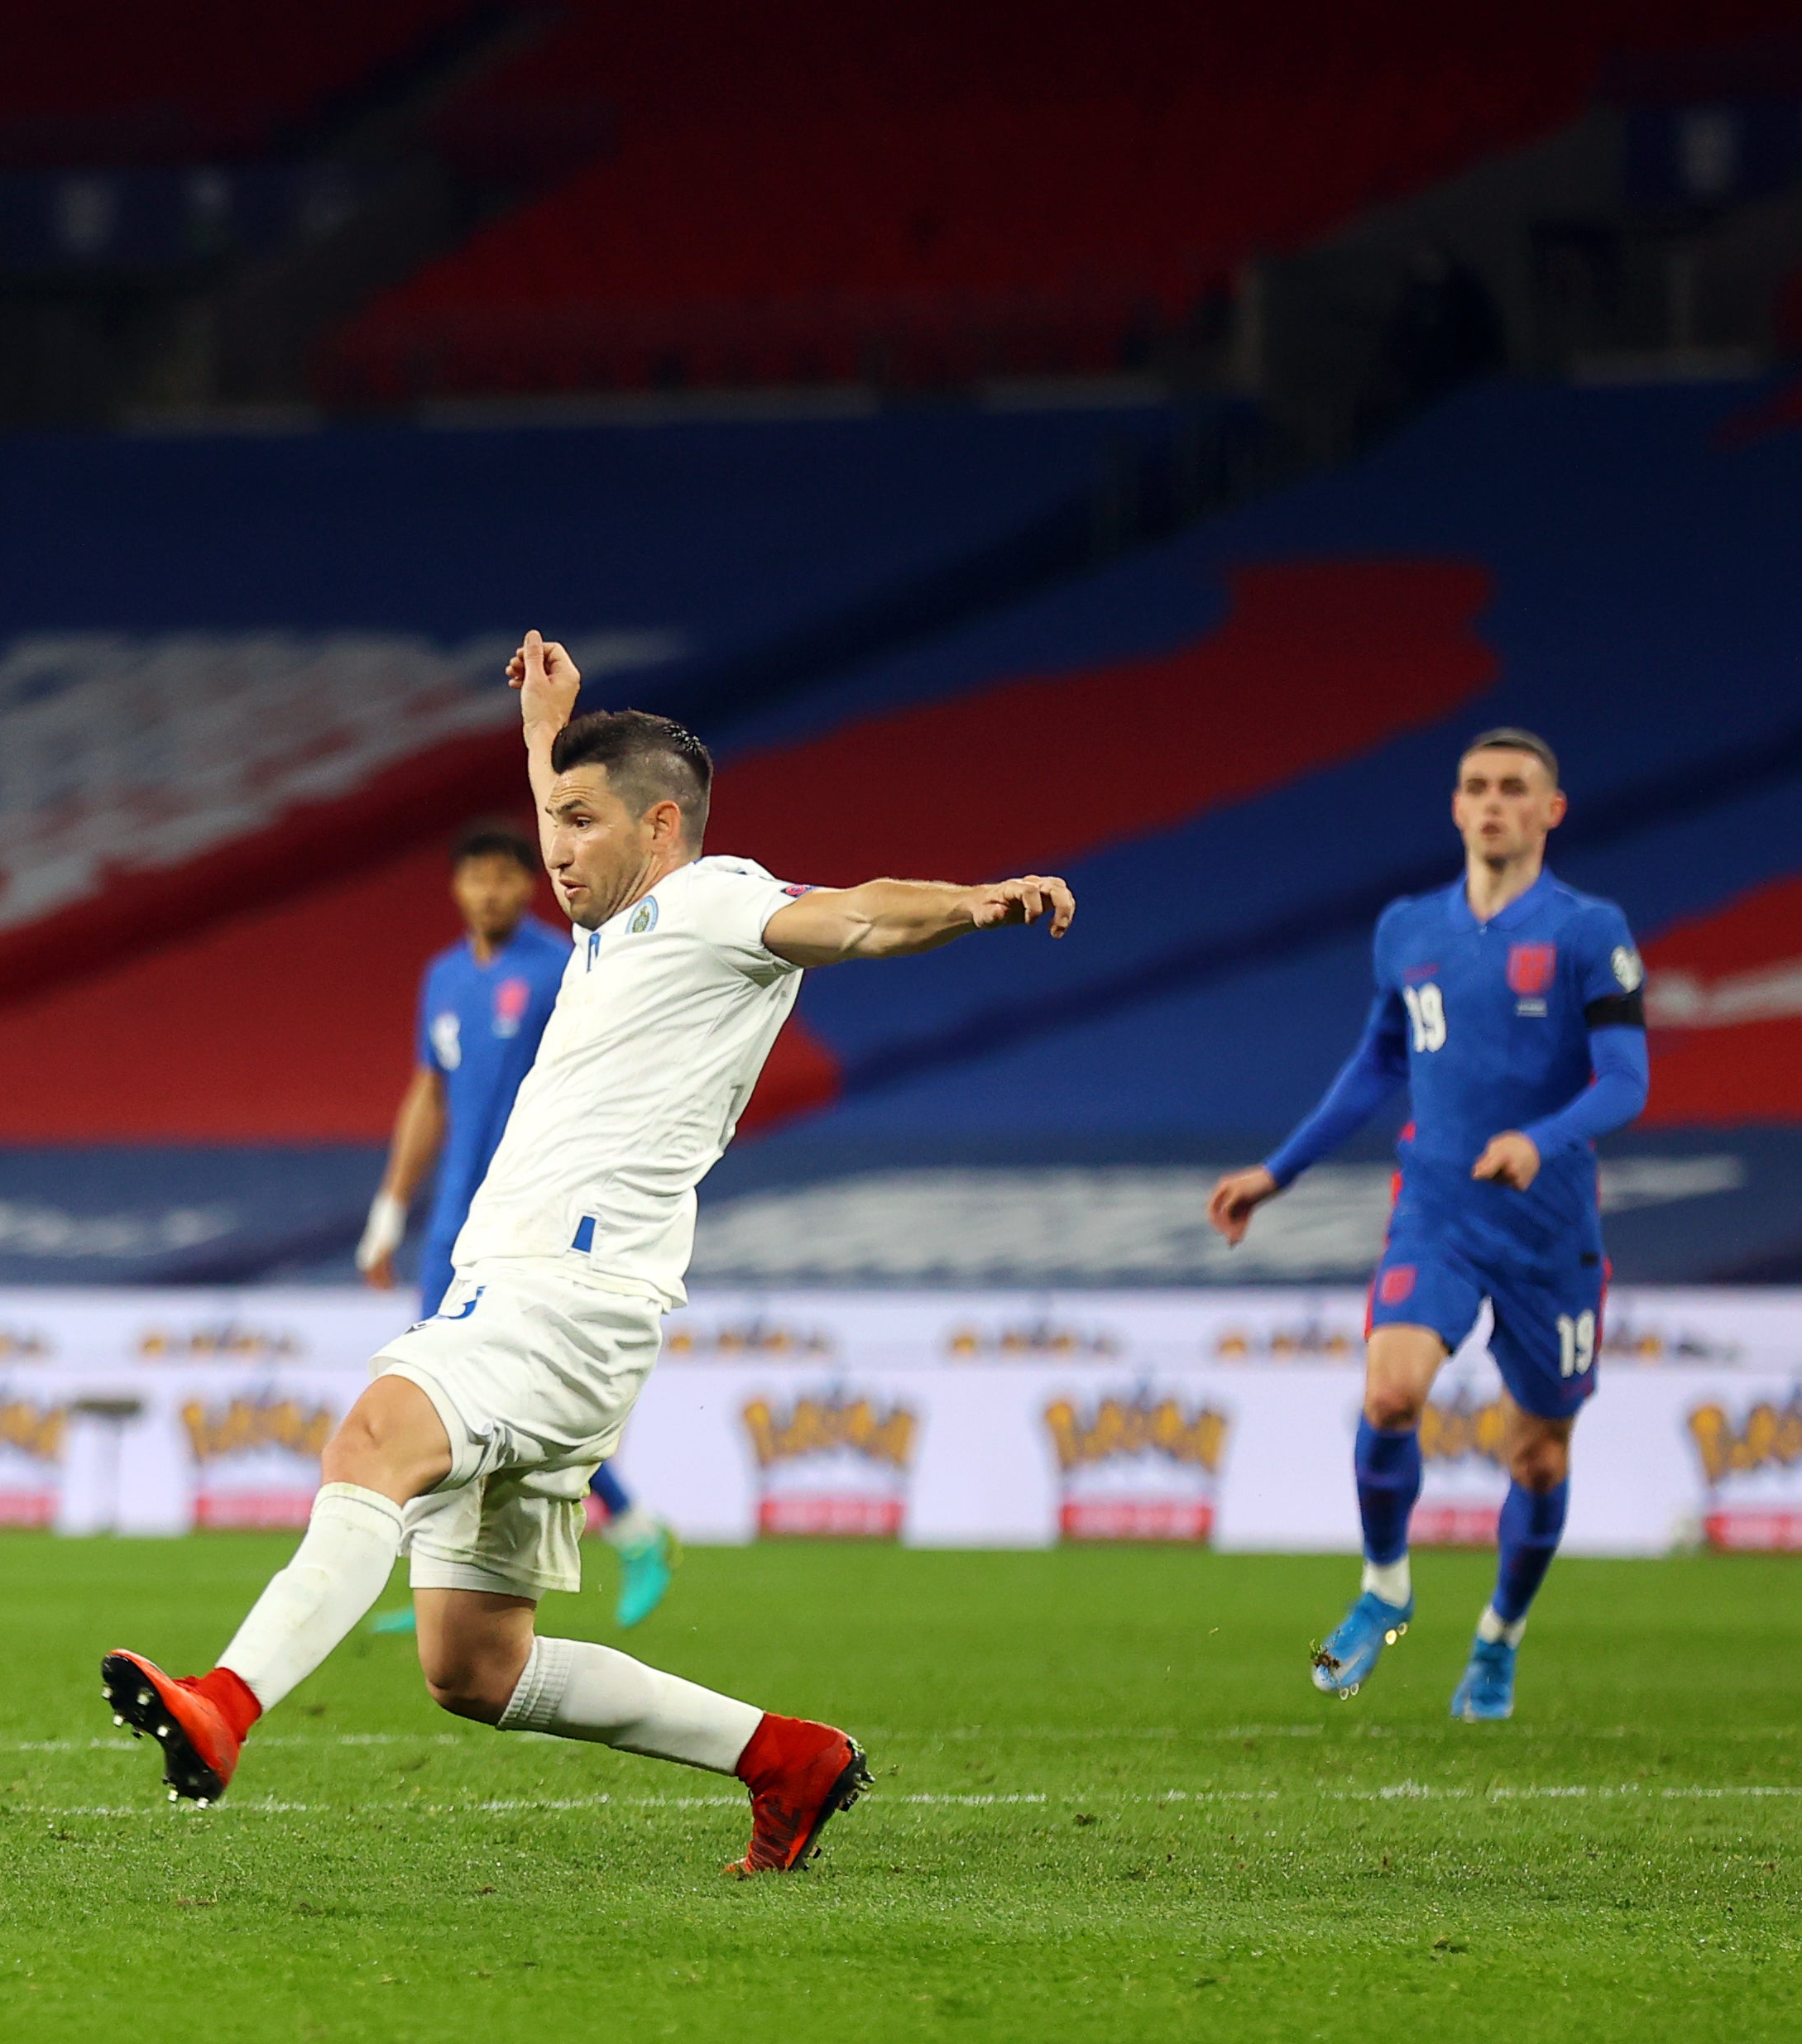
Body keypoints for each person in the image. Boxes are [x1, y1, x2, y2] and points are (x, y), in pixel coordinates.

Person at [102, 632, 1077, 1874]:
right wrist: (542, 737)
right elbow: (585, 816)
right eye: (546, 816)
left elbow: (858, 916)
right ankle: (787, 1755)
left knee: (373, 1438)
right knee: (471, 1661)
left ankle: (225, 1703)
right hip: (560, 1301)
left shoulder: (715, 898)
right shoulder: (621, 925)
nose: (552, 845)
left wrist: (974, 900)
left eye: (577, 820)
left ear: (661, 827)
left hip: (557, 1297)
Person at [1210, 730, 1646, 1722]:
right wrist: (1276, 1172)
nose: (1493, 803)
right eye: (1476, 787)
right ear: (1455, 807)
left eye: (1514, 788)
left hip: (1549, 1227)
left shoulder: (1588, 930)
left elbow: (1628, 1078)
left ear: (1551, 810)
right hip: (1438, 1208)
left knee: (1536, 1455)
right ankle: (1386, 1585)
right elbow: (1375, 1064)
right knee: (1392, 1389)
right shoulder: (1408, 928)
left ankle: (1498, 1639)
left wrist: (1542, 1138)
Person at [357, 818, 678, 1630]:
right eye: (476, 877)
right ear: (458, 887)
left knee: (526, 1388)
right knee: (447, 1386)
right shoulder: (442, 976)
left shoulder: (564, 966)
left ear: (527, 883)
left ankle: (635, 1529)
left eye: (506, 876)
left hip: (534, 1210)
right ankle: (448, 1581)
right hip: (454, 1220)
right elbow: (429, 1093)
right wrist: (390, 1207)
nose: (490, 890)